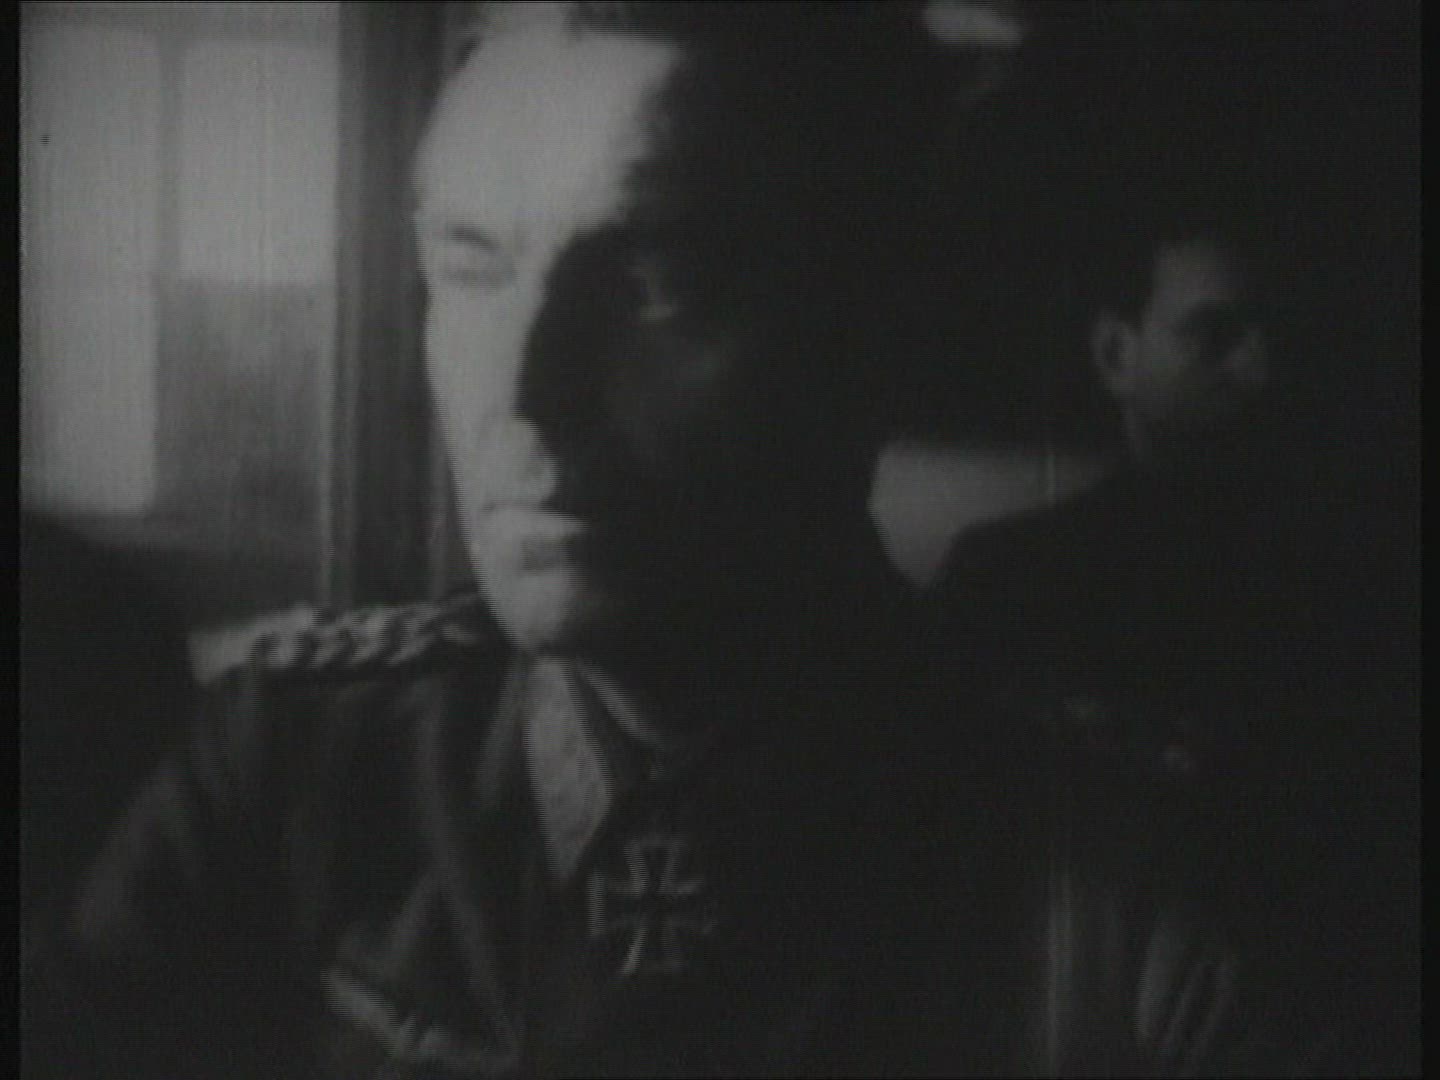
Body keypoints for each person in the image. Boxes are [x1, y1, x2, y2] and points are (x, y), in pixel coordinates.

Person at [23, 3, 1414, 1077]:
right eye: (472, 264)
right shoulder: (302, 772)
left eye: (661, 279)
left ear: (874, 334)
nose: (525, 394)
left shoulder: (1125, 891)